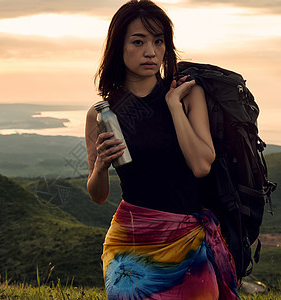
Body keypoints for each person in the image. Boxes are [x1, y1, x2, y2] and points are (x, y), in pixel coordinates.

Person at [84, 0, 240, 299]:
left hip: (187, 242)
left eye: (159, 41)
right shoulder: (102, 113)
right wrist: (101, 166)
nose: (151, 51)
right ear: (119, 47)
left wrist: (173, 107)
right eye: (138, 42)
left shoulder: (186, 93)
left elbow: (201, 165)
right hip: (130, 246)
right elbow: (98, 195)